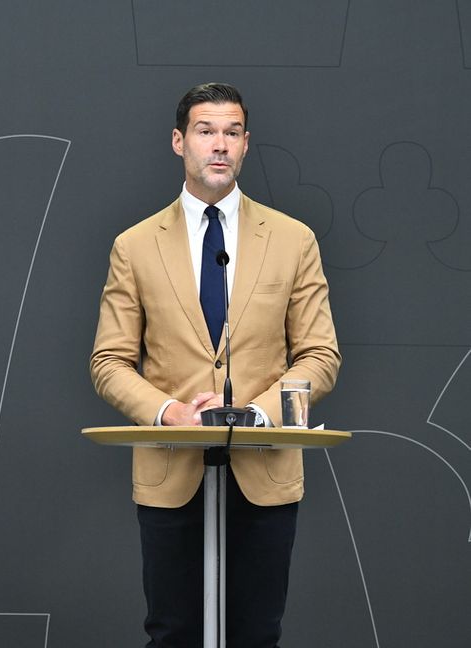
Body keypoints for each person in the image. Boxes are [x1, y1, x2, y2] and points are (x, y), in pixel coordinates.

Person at [90, 83, 340, 646]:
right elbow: (109, 361)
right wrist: (170, 411)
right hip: (171, 470)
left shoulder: (293, 239)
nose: (218, 145)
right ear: (179, 142)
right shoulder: (133, 246)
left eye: (231, 133)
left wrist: (256, 412)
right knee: (172, 632)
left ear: (246, 145)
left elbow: (320, 354)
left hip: (265, 470)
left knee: (256, 634)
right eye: (205, 132)